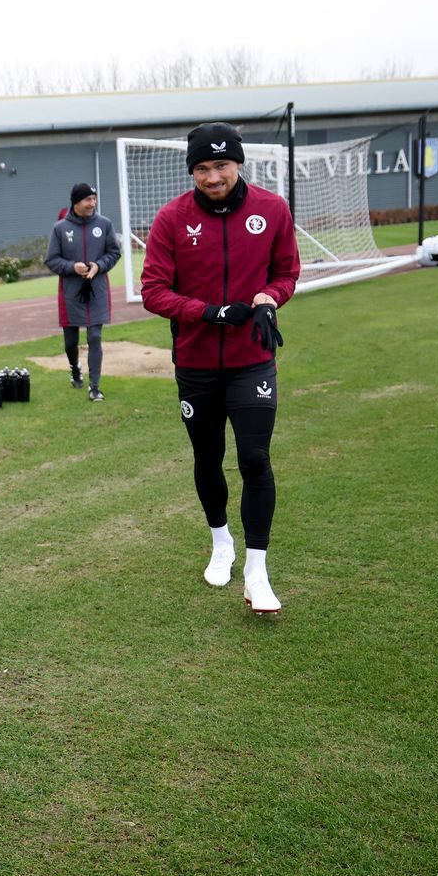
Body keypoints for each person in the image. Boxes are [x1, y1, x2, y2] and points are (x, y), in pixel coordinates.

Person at [140, 123, 296, 613]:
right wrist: (206, 312)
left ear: (239, 164)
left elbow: (286, 271)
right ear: (193, 170)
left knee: (254, 459)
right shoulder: (171, 219)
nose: (212, 177)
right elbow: (153, 291)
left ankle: (257, 572)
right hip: (197, 363)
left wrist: (270, 299)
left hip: (253, 360)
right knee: (207, 458)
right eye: (202, 168)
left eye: (221, 165)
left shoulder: (272, 210)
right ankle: (221, 543)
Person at [45, 183, 122, 401]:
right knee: (70, 342)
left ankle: (95, 387)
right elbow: (51, 260)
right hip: (70, 294)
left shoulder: (104, 224)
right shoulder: (60, 228)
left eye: (94, 199)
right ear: (76, 202)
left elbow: (114, 252)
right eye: (88, 199)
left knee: (95, 337)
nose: (92, 204)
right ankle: (75, 369)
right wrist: (72, 267)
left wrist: (98, 265)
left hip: (97, 291)